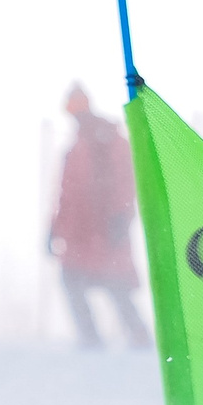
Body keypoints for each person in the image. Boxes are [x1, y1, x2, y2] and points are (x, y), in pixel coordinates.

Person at [49, 82, 150, 351]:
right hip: (81, 237)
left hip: (104, 233)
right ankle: (91, 340)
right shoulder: (76, 147)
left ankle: (141, 341)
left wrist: (122, 216)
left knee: (118, 289)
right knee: (74, 281)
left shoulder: (108, 140)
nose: (75, 115)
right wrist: (54, 230)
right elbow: (66, 196)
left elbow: (126, 180)